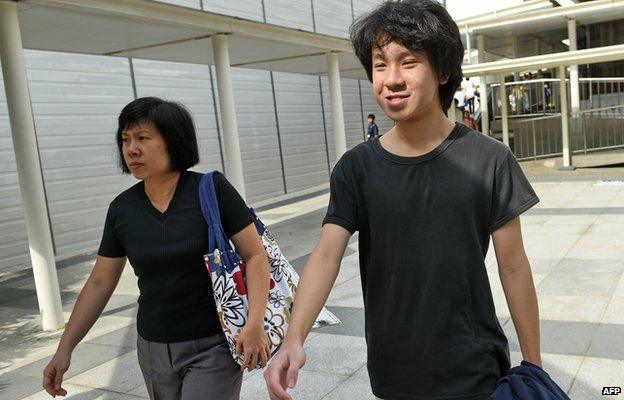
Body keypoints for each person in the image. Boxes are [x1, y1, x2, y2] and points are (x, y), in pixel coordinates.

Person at [264, 1, 542, 400]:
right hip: (393, 370)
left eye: (408, 62)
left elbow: (513, 265)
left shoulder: (489, 159)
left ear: (442, 71)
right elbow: (326, 255)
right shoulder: (356, 167)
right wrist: (294, 338)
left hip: (475, 366)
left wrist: (533, 363)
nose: (391, 79)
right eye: (380, 64)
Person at [43, 97, 271, 400]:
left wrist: (255, 323)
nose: (131, 149)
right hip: (152, 349)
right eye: (125, 139)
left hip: (213, 343)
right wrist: (65, 349)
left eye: (142, 138)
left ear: (173, 140)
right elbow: (100, 282)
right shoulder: (121, 209)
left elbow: (255, 255)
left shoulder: (212, 190)